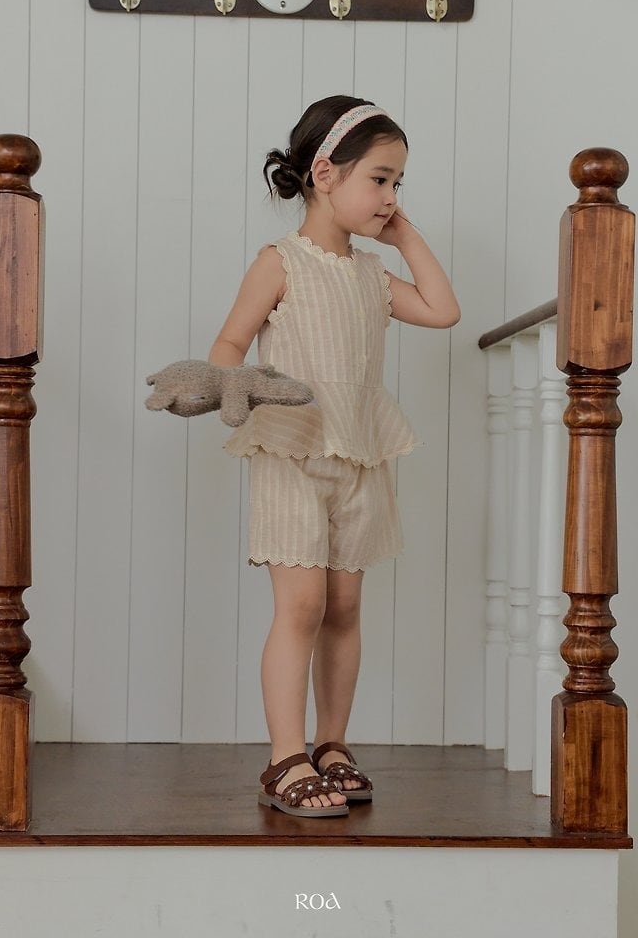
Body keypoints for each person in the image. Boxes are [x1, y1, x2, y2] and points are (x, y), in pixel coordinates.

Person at [208, 95, 460, 818]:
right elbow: (230, 342)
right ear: (325, 174)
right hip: (292, 450)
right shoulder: (280, 262)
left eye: (398, 184)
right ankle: (285, 757)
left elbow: (443, 310)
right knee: (303, 605)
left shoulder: (372, 276)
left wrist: (404, 234)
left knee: (345, 606)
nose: (390, 197)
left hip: (358, 453)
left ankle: (331, 743)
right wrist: (232, 385)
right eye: (379, 180)